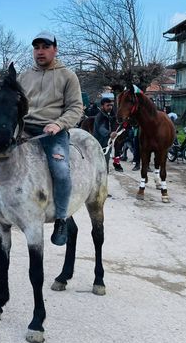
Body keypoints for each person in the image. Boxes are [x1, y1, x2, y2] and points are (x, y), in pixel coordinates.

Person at [17, 31, 84, 246]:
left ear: (55, 49)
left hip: (52, 131)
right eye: (36, 47)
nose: (40, 51)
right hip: (24, 129)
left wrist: (58, 124)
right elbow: (16, 104)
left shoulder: (68, 76)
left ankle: (61, 218)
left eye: (45, 47)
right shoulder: (24, 76)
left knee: (61, 170)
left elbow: (76, 108)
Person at [92, 97, 121, 172]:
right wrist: (109, 133)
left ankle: (105, 174)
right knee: (99, 161)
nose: (110, 107)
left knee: (106, 160)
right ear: (102, 106)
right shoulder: (100, 116)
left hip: (108, 142)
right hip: (99, 142)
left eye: (111, 105)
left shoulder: (112, 115)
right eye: (108, 105)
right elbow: (101, 128)